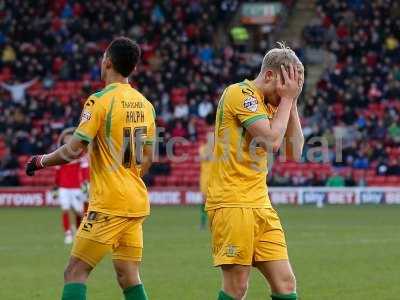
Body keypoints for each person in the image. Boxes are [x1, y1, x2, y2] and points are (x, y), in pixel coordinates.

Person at [25, 37, 156, 300]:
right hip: (135, 202)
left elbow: (74, 149)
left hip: (108, 204)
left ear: (107, 62)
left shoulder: (99, 100)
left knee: (75, 272)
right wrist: (126, 178)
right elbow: (147, 157)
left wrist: (41, 161)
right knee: (128, 275)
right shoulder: (145, 104)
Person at [206, 43, 304, 300]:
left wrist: (290, 103)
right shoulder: (240, 93)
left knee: (285, 283)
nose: (285, 94)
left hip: (260, 204)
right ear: (270, 75)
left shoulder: (274, 104)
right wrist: (287, 101)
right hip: (232, 202)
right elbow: (271, 141)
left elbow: (295, 151)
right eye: (284, 87)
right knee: (237, 287)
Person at [55, 131, 85, 245]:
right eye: (66, 139)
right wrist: (55, 186)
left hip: (76, 187)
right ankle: (68, 233)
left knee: (78, 211)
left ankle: (78, 232)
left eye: (70, 138)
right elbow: (57, 173)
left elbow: (84, 169)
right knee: (65, 209)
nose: (67, 140)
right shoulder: (59, 155)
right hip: (63, 188)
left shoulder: (78, 154)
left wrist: (85, 183)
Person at [198, 113, 215, 229]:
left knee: (214, 203)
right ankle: (203, 223)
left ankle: (213, 223)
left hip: (215, 178)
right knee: (204, 202)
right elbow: (206, 157)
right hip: (205, 179)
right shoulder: (202, 149)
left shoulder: (217, 150)